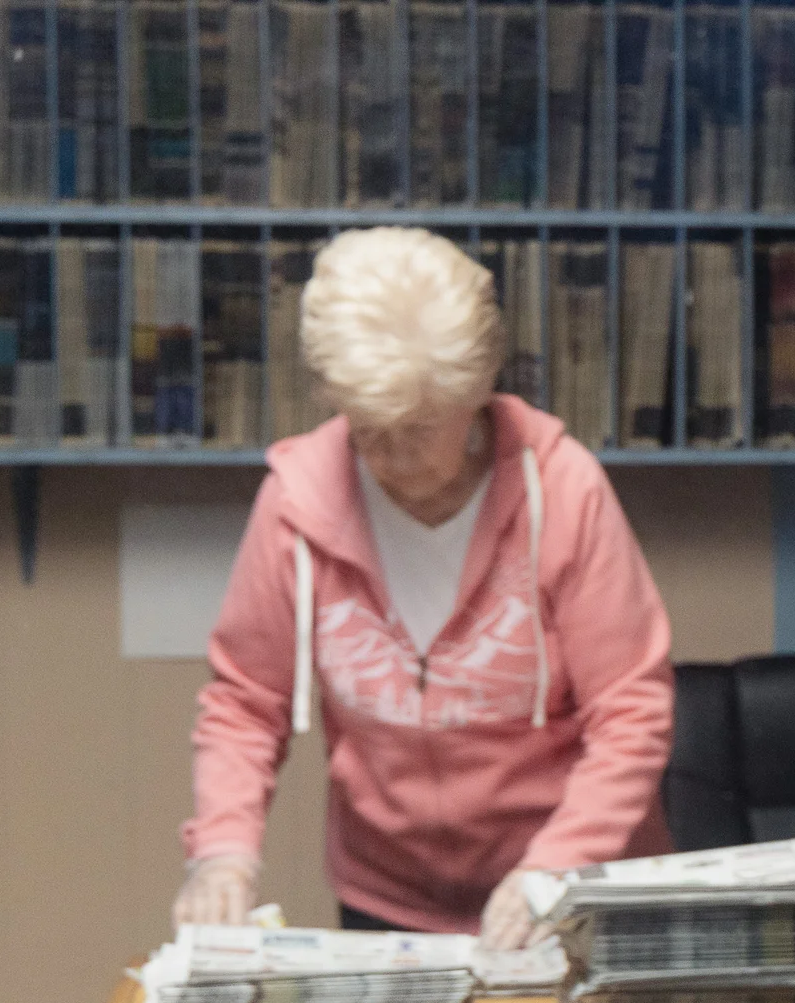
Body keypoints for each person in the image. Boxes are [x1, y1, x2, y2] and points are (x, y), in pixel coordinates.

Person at [175, 227, 674, 945]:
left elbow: (631, 712)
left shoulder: (563, 491)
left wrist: (559, 866)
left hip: (577, 887)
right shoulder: (295, 506)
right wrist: (222, 852)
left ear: (476, 396)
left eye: (419, 428)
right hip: (391, 899)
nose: (394, 457)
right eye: (371, 429)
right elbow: (246, 704)